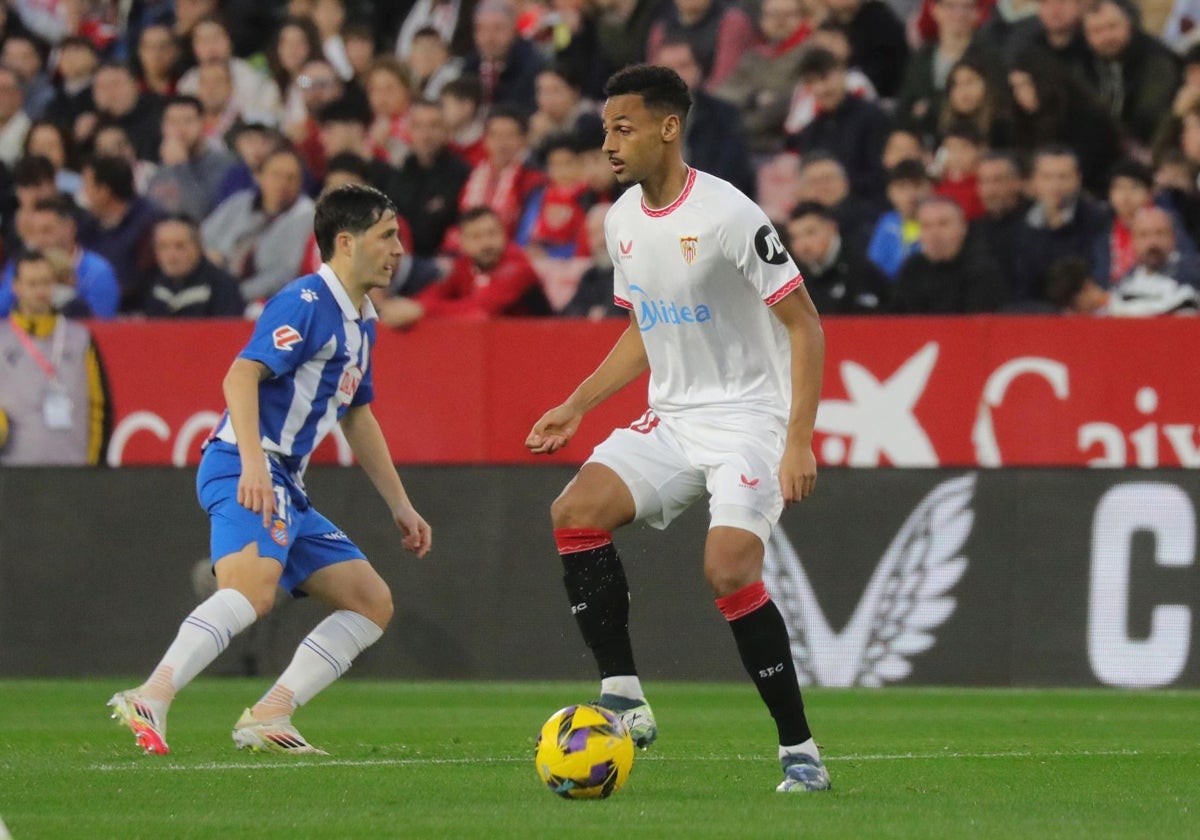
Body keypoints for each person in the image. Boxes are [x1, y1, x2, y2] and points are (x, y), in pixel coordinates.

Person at [524, 64, 830, 794]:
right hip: (674, 416)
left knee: (727, 570)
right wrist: (577, 403)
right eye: (605, 130)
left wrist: (796, 438)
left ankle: (801, 753)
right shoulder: (622, 218)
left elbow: (805, 326)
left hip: (749, 420)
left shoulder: (729, 215)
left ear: (669, 128)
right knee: (575, 514)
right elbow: (643, 331)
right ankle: (624, 695)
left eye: (623, 128)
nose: (609, 144)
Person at [107, 183, 432, 756]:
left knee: (370, 601)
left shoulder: (362, 322)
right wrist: (255, 465)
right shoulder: (305, 302)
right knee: (251, 591)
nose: (398, 249)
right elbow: (240, 376)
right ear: (346, 242)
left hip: (287, 483)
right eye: (387, 236)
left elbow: (358, 417)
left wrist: (400, 505)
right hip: (244, 463)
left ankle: (271, 712)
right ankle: (151, 694)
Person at [0, 250, 110, 466]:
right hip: (14, 473)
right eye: (32, 284)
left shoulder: (80, 339)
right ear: (16, 287)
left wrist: (94, 467)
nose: (40, 291)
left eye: (45, 283)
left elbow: (99, 407)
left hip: (72, 470)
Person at [378, 205, 548, 327]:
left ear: (504, 234)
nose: (487, 243)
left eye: (493, 233)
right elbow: (435, 293)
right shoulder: (463, 266)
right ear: (462, 243)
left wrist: (420, 310)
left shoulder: (518, 267)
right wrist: (407, 307)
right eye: (476, 237)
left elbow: (480, 311)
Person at [143, 214, 244, 317]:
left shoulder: (223, 286)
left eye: (179, 246)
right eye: (163, 247)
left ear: (197, 247)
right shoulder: (150, 283)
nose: (171, 256)